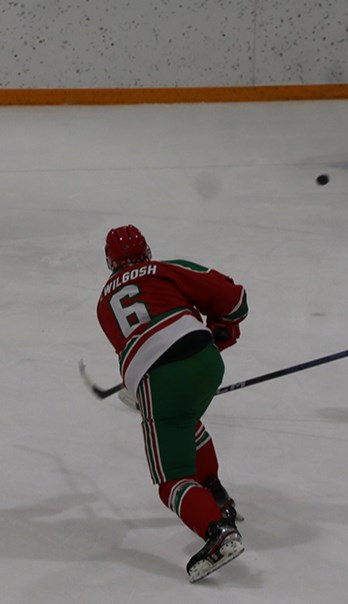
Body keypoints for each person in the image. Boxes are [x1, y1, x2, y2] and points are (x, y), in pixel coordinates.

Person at [96, 225, 248, 582]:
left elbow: (139, 347)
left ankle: (218, 534)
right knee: (185, 422)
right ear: (147, 251)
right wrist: (223, 326)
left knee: (171, 479)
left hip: (159, 378)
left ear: (109, 262)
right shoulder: (165, 268)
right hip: (206, 361)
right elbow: (234, 298)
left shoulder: (104, 302)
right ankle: (216, 495)